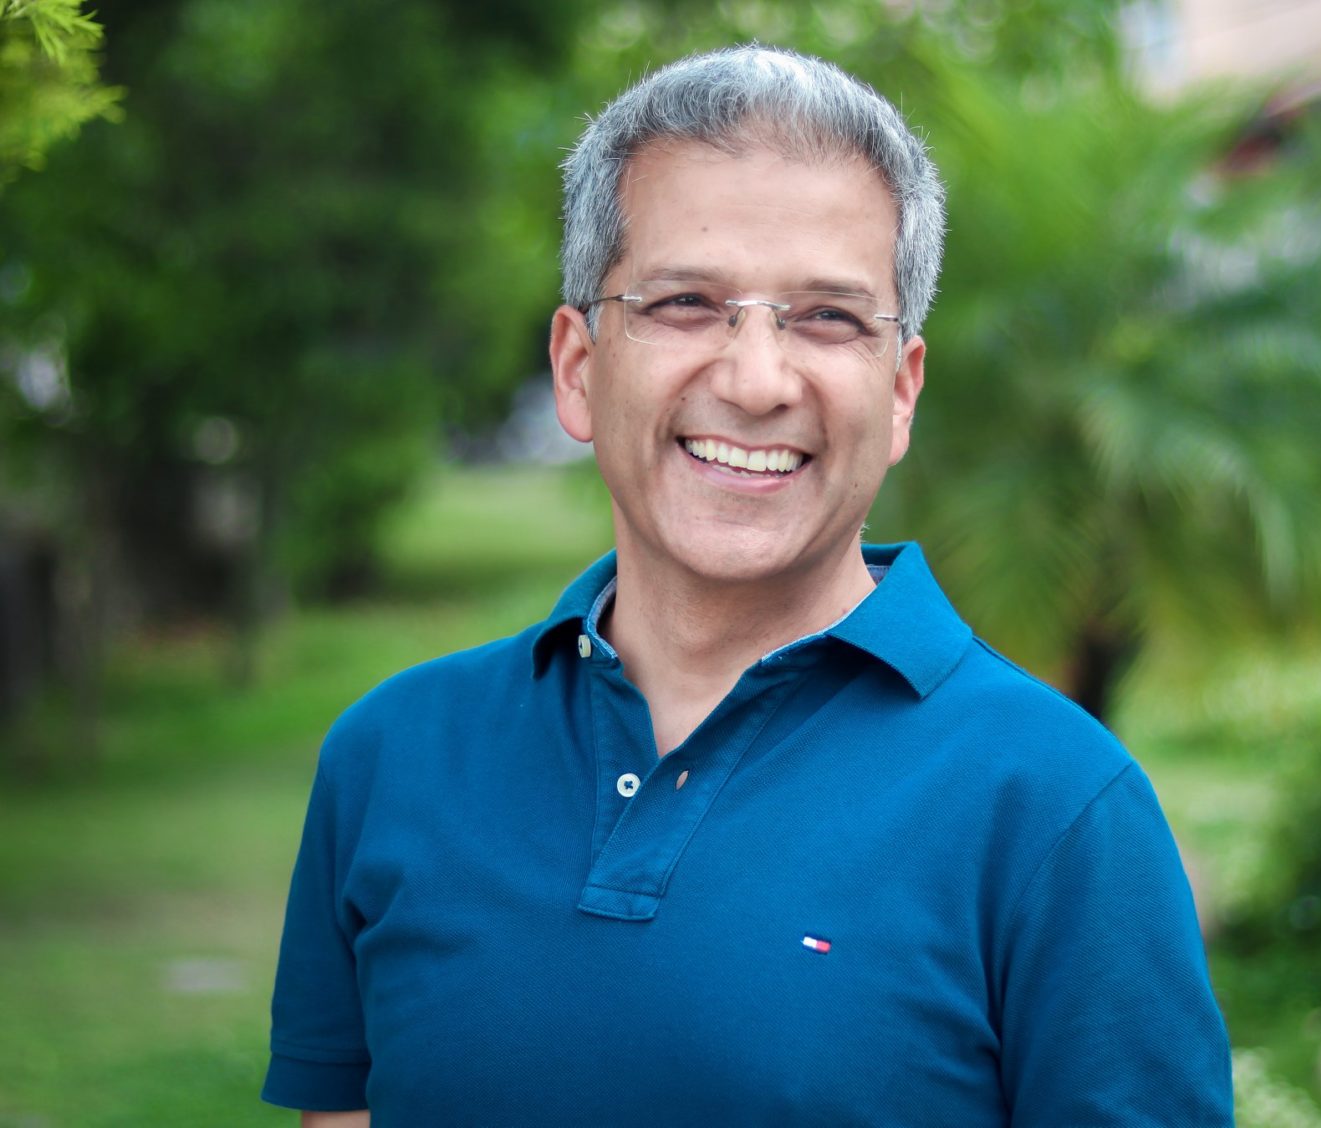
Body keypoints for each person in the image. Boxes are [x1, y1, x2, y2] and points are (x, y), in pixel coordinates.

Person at [262, 45, 1234, 1127]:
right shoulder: (391, 757)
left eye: (829, 317)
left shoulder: (1058, 807)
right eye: (686, 302)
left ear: (900, 393)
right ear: (579, 368)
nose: (757, 380)